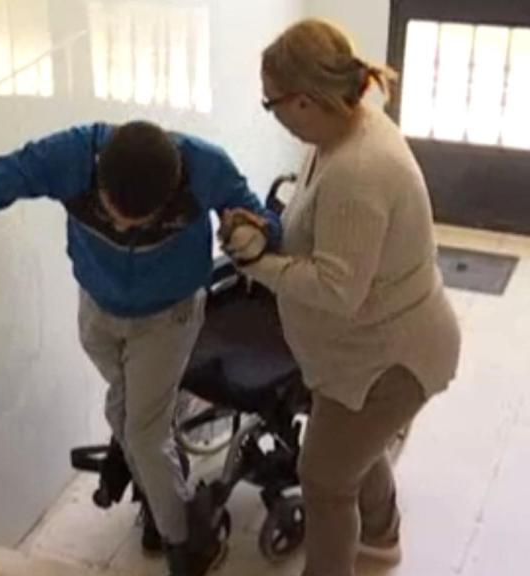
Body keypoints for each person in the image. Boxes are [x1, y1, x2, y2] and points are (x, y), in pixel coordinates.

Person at [0, 120, 281, 576]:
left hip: (169, 317)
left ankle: (188, 544)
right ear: (99, 173)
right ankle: (160, 486)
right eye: (114, 211)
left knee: (142, 433)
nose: (124, 224)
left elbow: (263, 221)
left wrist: (252, 231)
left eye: (140, 220)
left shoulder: (205, 166)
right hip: (98, 310)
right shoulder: (70, 157)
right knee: (128, 419)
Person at [220, 19, 462, 576]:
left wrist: (259, 262)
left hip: (388, 360)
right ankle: (381, 539)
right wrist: (270, 231)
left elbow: (337, 289)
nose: (272, 112)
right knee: (352, 448)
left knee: (326, 480)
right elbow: (319, 234)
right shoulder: (344, 133)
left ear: (303, 101)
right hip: (360, 355)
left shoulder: (358, 170)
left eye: (270, 103)